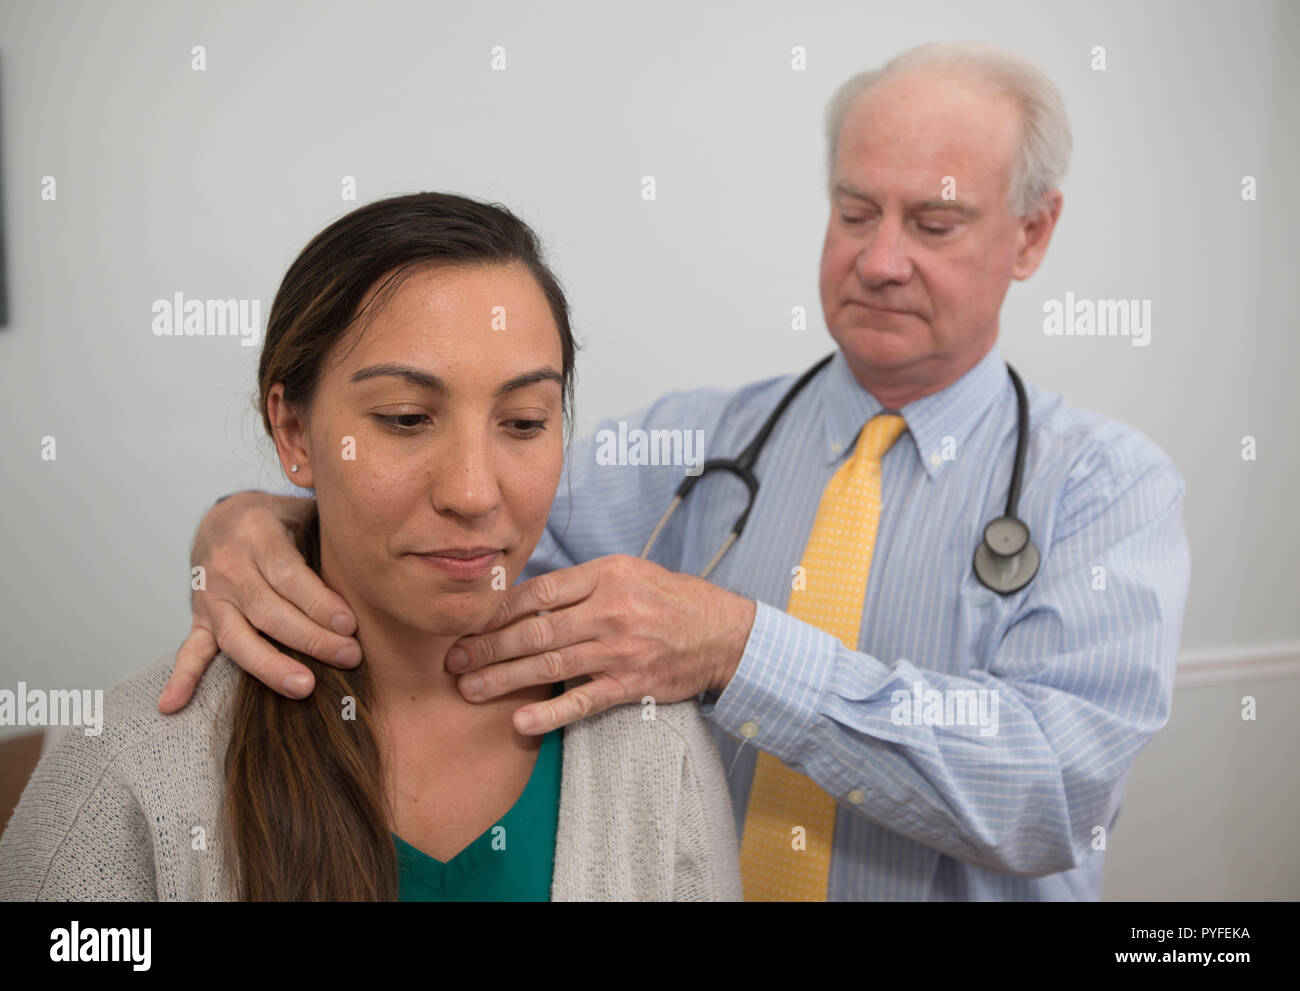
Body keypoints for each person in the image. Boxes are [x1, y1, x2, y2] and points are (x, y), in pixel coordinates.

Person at [164, 42, 1191, 901]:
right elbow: (457, 520)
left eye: (933, 223)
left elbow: (1056, 790)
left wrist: (739, 651)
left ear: (1033, 233)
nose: (880, 259)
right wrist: (251, 517)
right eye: (853, 211)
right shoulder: (692, 447)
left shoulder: (1104, 487)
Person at [0, 192, 742, 901]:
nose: (474, 491)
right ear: (294, 433)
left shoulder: (651, 749)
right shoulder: (130, 763)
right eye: (406, 417)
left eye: (522, 422)